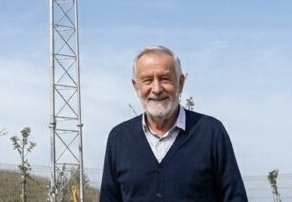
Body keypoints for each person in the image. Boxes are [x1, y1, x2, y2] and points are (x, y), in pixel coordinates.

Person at [99, 46, 248, 201]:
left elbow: (235, 197)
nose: (156, 89)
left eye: (165, 79)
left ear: (181, 83)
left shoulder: (211, 133)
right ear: (136, 87)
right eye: (148, 80)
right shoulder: (119, 138)